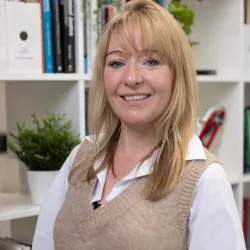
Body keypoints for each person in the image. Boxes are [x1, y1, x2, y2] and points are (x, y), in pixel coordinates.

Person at [32, 0, 246, 249]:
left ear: (178, 75)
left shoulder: (204, 179)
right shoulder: (81, 157)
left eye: (151, 62)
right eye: (116, 63)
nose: (131, 78)